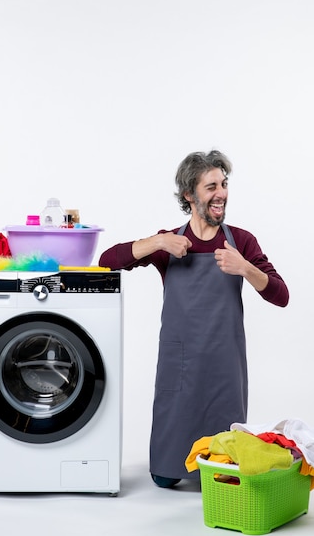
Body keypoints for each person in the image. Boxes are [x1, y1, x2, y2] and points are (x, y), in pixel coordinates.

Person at [99, 150, 289, 488]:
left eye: (224, 185)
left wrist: (244, 268)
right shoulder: (169, 242)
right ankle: (175, 462)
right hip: (180, 364)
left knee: (220, 477)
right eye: (211, 186)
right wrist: (157, 241)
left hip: (224, 364)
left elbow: (280, 294)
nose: (222, 194)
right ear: (189, 194)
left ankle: (217, 464)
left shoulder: (241, 242)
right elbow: (106, 262)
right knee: (163, 478)